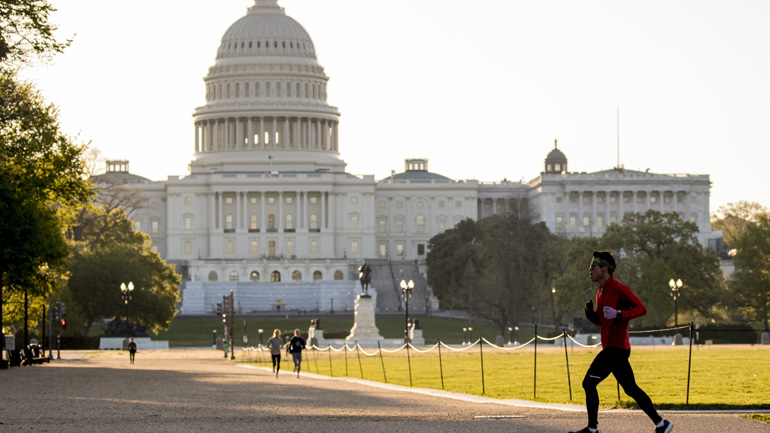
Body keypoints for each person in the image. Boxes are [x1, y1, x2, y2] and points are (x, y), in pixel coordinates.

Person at [570, 251, 673, 433]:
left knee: (588, 383)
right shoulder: (600, 292)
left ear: (604, 269)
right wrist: (590, 313)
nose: (590, 270)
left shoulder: (619, 288)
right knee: (630, 389)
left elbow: (642, 309)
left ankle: (592, 429)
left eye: (593, 266)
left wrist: (619, 313)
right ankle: (661, 423)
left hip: (616, 349)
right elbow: (603, 322)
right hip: (613, 348)